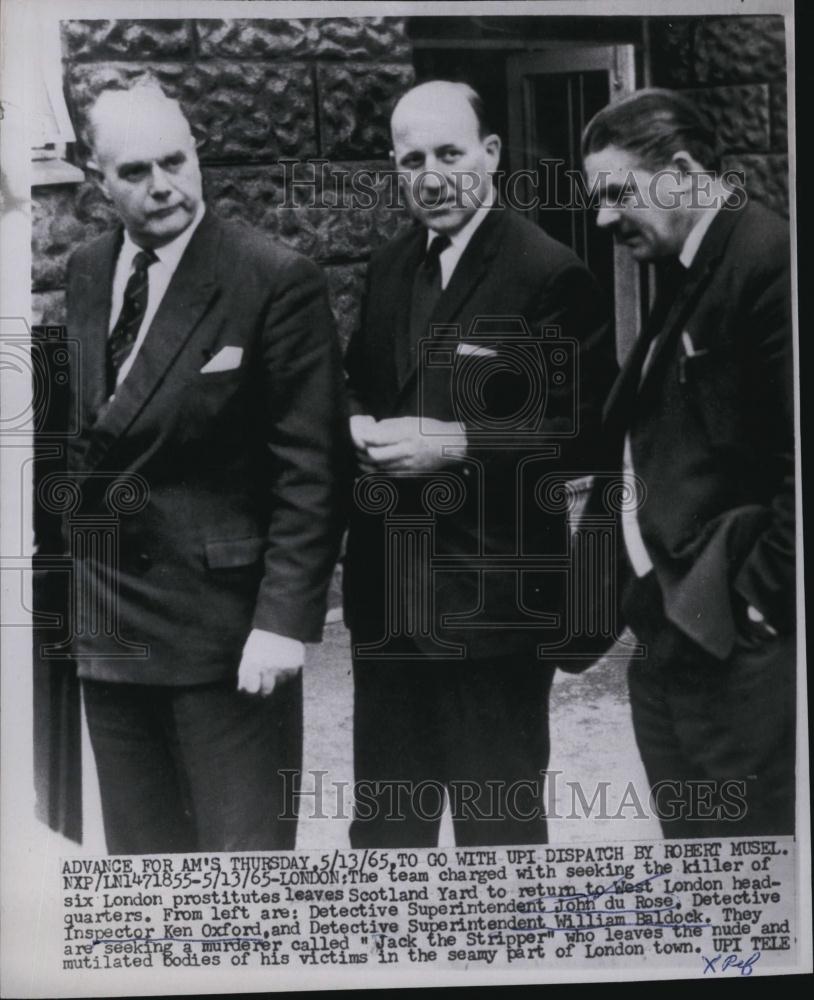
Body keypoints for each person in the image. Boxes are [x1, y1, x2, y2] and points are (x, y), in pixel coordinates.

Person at [63, 82, 349, 853]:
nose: (163, 186)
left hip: (226, 639)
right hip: (110, 634)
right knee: (145, 872)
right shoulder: (88, 271)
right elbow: (82, 443)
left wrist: (283, 623)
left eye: (176, 161)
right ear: (97, 180)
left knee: (241, 870)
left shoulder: (272, 277)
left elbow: (313, 468)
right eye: (135, 172)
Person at [343, 80, 615, 847]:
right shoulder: (390, 265)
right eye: (411, 159)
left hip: (493, 610)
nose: (430, 176)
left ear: (491, 154)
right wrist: (356, 422)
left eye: (450, 153)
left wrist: (457, 442)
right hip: (389, 602)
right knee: (387, 839)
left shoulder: (549, 273)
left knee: (498, 841)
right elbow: (360, 377)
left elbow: (584, 428)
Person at [581, 88, 795, 837]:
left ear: (679, 171)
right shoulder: (687, 263)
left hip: (736, 653)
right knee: (699, 874)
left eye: (616, 195)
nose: (604, 219)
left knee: (753, 879)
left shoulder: (770, 264)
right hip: (672, 641)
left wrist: (759, 604)